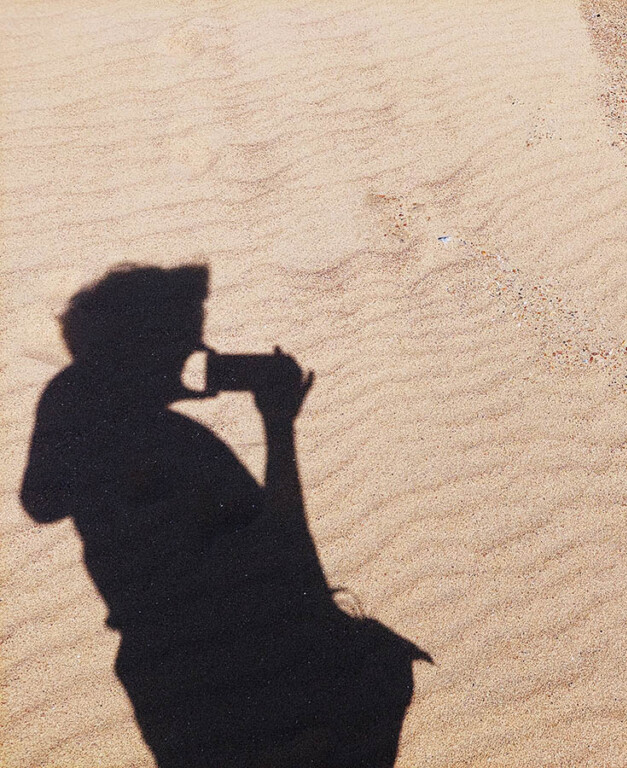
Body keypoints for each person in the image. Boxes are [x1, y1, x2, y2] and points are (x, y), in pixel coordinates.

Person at [21, 264, 429, 768]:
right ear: (140, 353)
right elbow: (286, 553)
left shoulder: (85, 450)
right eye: (184, 344)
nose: (199, 358)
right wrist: (279, 429)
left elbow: (40, 501)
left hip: (168, 683)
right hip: (260, 676)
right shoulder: (178, 446)